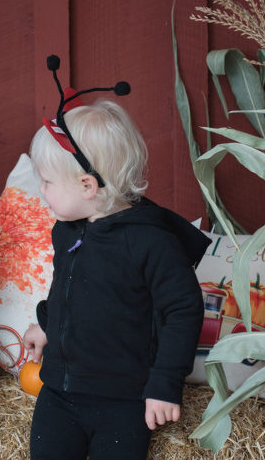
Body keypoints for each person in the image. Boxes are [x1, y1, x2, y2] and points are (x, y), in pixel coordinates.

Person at [23, 57, 210, 460]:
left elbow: (183, 309)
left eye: (48, 182)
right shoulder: (67, 230)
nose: (41, 191)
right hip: (58, 392)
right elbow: (68, 289)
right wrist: (48, 325)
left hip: (123, 399)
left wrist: (164, 384)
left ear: (87, 185)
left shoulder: (149, 242)